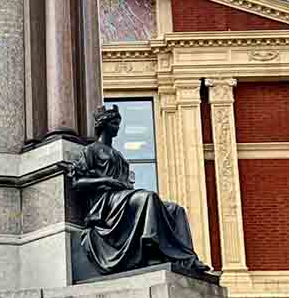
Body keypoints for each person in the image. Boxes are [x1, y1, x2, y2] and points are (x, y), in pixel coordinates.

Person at [71, 104, 211, 275]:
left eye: (118, 123)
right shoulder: (90, 151)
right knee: (149, 197)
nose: (117, 127)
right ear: (103, 124)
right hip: (107, 202)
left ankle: (189, 259)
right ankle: (150, 249)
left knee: (175, 209)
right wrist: (107, 181)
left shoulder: (118, 155)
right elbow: (78, 182)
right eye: (114, 123)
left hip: (124, 198)